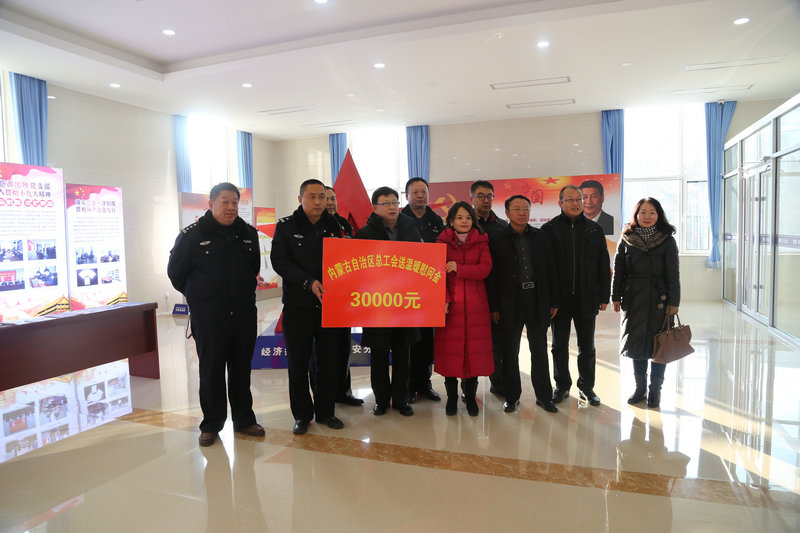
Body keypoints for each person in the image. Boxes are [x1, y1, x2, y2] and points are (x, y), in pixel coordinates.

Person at [168, 182, 265, 447]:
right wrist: (200, 296)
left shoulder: (248, 234)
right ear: (211, 204)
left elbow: (253, 268)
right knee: (211, 371)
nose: (231, 207)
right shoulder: (192, 235)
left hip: (243, 314)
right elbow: (176, 273)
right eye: (225, 202)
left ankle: (244, 420)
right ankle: (211, 424)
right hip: (209, 317)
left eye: (235, 202)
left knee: (241, 369)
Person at [271, 179, 349, 434]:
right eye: (312, 196)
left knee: (328, 363)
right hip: (298, 306)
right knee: (298, 363)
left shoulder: (334, 225)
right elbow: (280, 262)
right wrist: (308, 282)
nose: (318, 202)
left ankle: (326, 412)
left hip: (329, 306)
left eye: (322, 197)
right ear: (300, 199)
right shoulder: (286, 226)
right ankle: (302, 415)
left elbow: (345, 260)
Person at [487, 195, 559, 413]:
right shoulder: (497, 239)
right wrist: (494, 307)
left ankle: (544, 397)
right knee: (510, 351)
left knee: (539, 350)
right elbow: (492, 276)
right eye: (516, 209)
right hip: (509, 301)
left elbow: (552, 270)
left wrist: (553, 300)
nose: (522, 213)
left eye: (525, 209)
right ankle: (511, 396)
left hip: (537, 298)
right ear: (507, 213)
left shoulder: (541, 237)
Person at [541, 185, 611, 406]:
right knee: (559, 346)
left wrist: (604, 296)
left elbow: (603, 264)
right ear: (560, 203)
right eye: (570, 200)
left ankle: (586, 387)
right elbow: (545, 269)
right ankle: (562, 385)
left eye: (578, 199)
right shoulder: (549, 230)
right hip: (559, 300)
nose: (575, 203)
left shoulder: (594, 229)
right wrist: (549, 300)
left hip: (586, 297)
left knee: (587, 347)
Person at [355, 186, 422, 417]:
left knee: (403, 355)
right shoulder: (364, 234)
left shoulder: (410, 227)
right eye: (386, 203)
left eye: (394, 202)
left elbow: (420, 260)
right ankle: (381, 400)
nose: (392, 207)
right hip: (378, 305)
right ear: (375, 208)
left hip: (404, 303)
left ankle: (401, 399)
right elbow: (358, 271)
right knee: (379, 355)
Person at [611, 197, 680, 408]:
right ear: (636, 214)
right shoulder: (627, 238)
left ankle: (655, 390)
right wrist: (615, 296)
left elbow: (673, 274)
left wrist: (674, 301)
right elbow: (618, 270)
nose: (647, 216)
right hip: (633, 299)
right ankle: (640, 388)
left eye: (652, 212)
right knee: (636, 344)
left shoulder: (667, 240)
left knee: (660, 346)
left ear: (659, 215)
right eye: (643, 212)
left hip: (660, 300)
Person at [434, 202, 494, 416]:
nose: (464, 221)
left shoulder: (481, 241)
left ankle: (470, 398)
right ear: (451, 221)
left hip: (477, 306)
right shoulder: (441, 243)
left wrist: (459, 268)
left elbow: (485, 269)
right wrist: (443, 299)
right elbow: (436, 275)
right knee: (450, 354)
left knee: (473, 356)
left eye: (468, 217)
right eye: (459, 217)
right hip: (451, 307)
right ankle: (451, 398)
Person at [401, 177, 445, 403]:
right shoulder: (398, 219)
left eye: (424, 191)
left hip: (429, 291)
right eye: (415, 192)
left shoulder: (436, 221)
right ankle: (408, 386)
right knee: (409, 340)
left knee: (428, 340)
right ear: (407, 195)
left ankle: (424, 383)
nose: (420, 196)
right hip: (403, 291)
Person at [319, 186, 364, 407]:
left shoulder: (344, 224)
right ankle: (325, 396)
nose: (330, 202)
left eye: (333, 198)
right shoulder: (315, 225)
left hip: (344, 296)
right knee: (324, 352)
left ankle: (343, 391)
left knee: (343, 347)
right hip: (322, 295)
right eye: (325, 198)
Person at [469, 179, 508, 397]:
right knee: (470, 343)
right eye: (480, 196)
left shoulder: (502, 227)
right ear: (471, 198)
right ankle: (469, 389)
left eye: (489, 196)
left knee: (497, 343)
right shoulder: (463, 225)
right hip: (470, 292)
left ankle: (499, 383)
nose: (485, 200)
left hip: (496, 294)